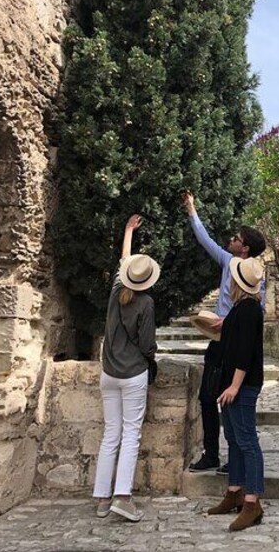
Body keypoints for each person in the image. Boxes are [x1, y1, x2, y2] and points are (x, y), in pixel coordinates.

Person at [182, 192, 266, 474]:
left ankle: (238, 460)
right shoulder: (227, 261)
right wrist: (192, 210)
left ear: (245, 248)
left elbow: (255, 313)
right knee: (207, 396)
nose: (230, 241)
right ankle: (211, 453)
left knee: (235, 404)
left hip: (235, 345)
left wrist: (227, 322)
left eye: (235, 239)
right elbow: (205, 240)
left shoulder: (254, 278)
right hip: (218, 343)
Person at [92, 214, 160, 522]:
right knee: (131, 433)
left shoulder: (114, 293)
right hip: (133, 373)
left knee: (111, 433)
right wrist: (152, 357)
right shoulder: (145, 304)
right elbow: (146, 343)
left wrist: (127, 231)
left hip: (108, 372)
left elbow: (124, 261)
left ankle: (101, 499)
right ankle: (122, 496)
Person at [207, 256, 266, 531]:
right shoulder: (239, 309)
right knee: (232, 437)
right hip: (231, 381)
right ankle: (234, 491)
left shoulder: (250, 310)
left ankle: (252, 502)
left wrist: (234, 385)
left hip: (241, 384)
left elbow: (244, 352)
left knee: (247, 440)